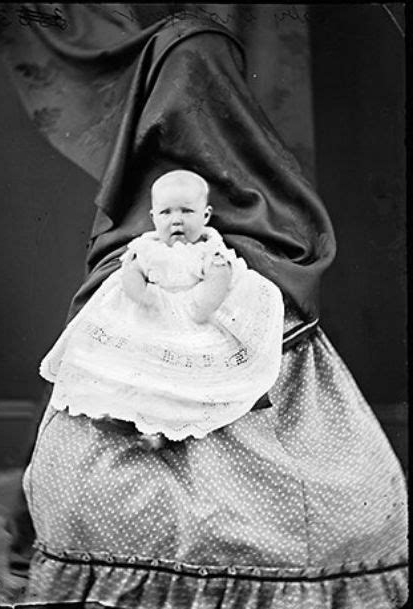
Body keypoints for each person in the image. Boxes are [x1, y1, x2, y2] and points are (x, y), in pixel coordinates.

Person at [0, 5, 408, 609]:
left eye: (203, 92)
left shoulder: (262, 196)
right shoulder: (145, 208)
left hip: (243, 354)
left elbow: (291, 248)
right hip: (142, 378)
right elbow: (122, 271)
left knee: (321, 493)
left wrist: (236, 282)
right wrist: (139, 287)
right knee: (90, 457)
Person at [38, 170, 284, 449]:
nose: (176, 219)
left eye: (187, 211)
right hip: (153, 311)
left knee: (180, 377)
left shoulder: (209, 251)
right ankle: (126, 417)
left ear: (205, 216)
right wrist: (143, 296)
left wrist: (202, 306)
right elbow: (130, 274)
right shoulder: (146, 248)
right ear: (154, 217)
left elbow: (219, 280)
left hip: (193, 316)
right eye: (166, 212)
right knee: (136, 367)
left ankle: (167, 427)